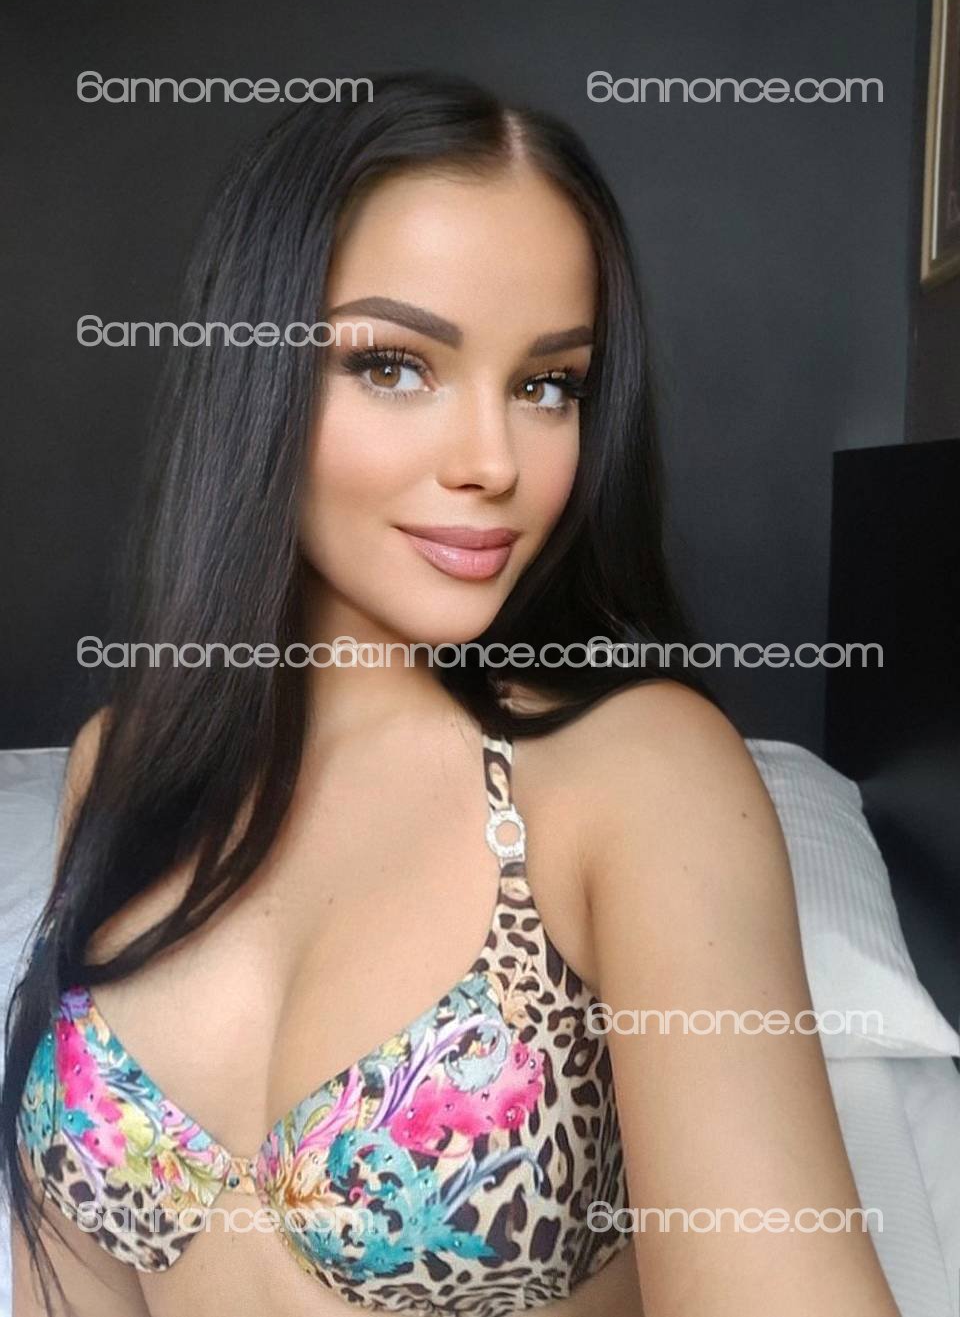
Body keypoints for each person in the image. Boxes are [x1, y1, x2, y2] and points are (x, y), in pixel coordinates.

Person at [1, 71, 901, 1317]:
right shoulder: (125, 763)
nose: (493, 461)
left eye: (547, 385)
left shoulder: (638, 775)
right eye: (394, 365)